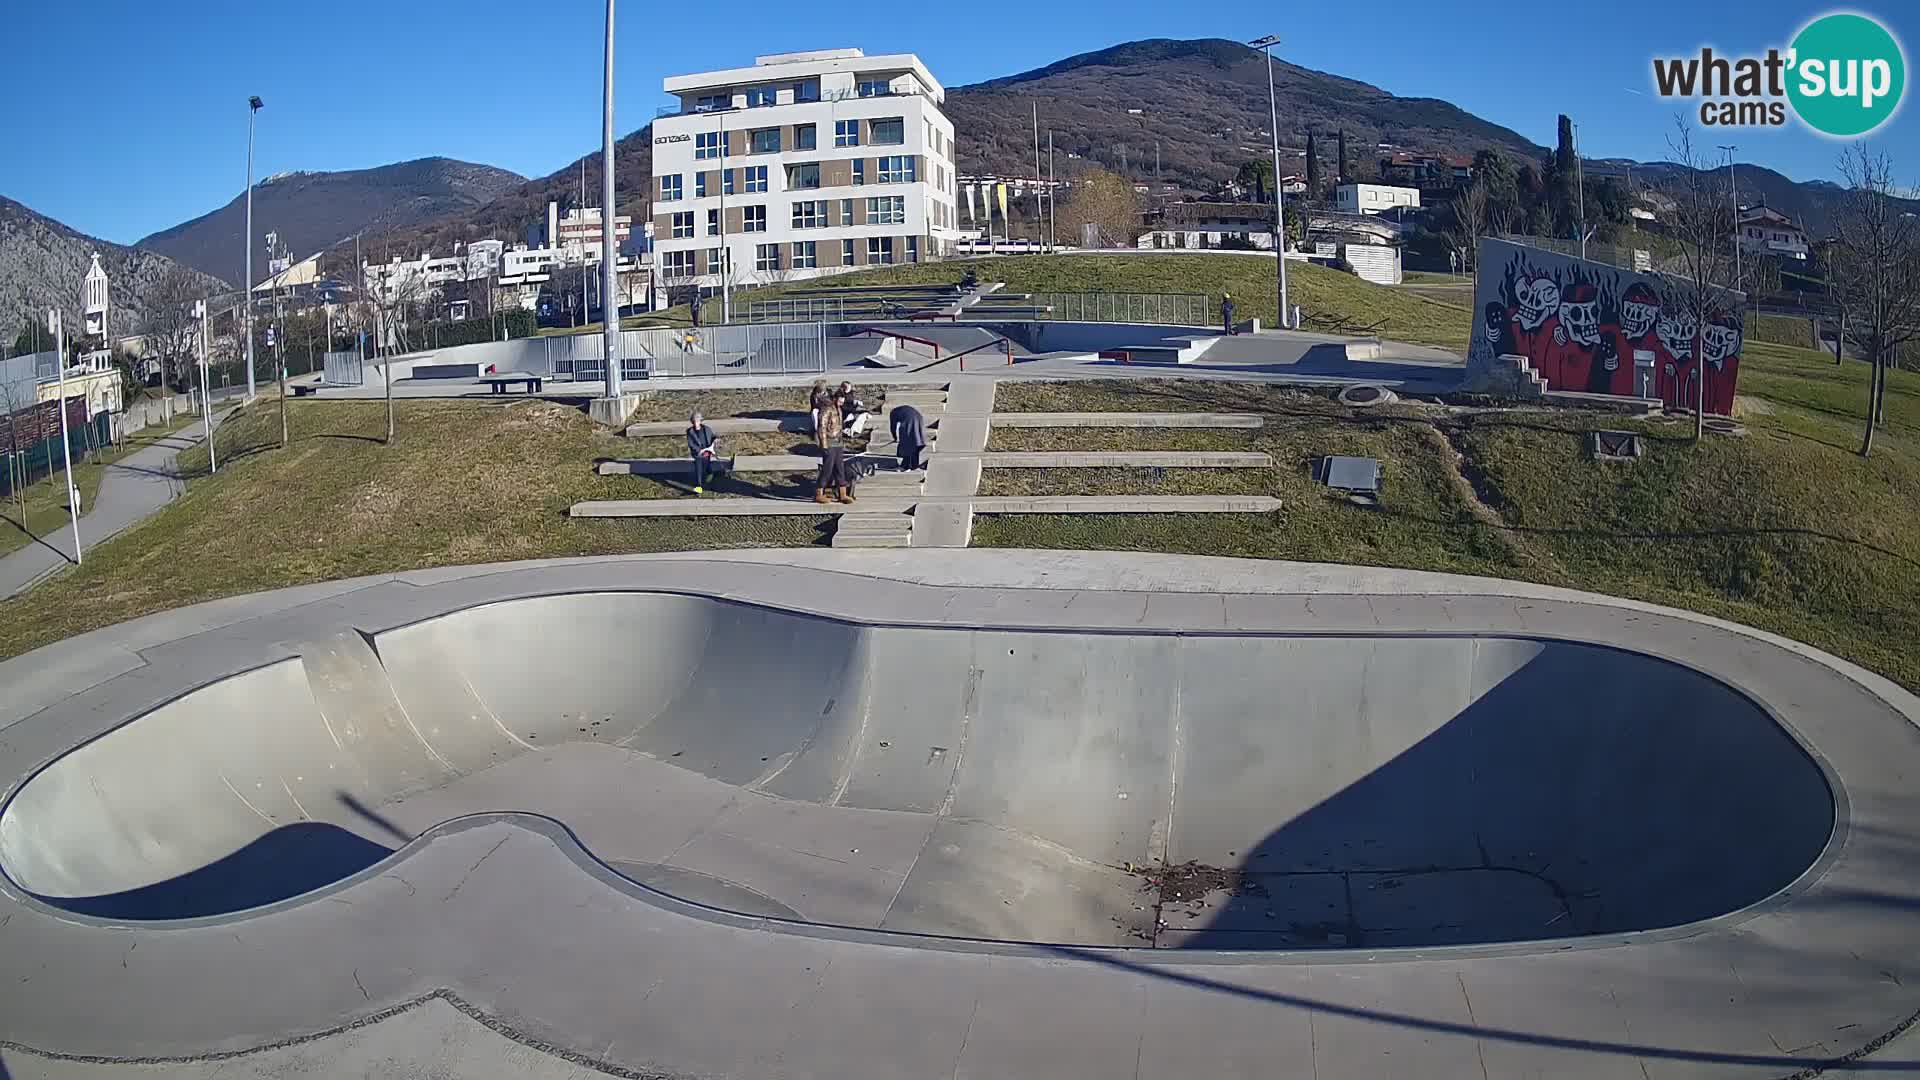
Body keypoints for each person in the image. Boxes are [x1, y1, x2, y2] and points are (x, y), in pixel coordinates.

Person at [814, 398, 854, 504]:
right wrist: (824, 444)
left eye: (843, 401)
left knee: (840, 468)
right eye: (840, 401)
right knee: (828, 469)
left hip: (838, 442)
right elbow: (821, 427)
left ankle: (843, 494)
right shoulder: (826, 409)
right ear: (835, 399)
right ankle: (819, 493)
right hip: (829, 442)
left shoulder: (838, 410)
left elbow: (839, 426)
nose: (842, 403)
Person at [685, 412, 732, 494]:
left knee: (706, 464)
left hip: (707, 452)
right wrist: (698, 450)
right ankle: (699, 486)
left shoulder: (706, 429)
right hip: (698, 454)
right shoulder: (690, 431)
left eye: (697, 421)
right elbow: (691, 444)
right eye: (694, 421)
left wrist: (715, 440)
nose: (696, 423)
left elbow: (713, 436)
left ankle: (710, 474)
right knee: (698, 469)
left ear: (700, 421)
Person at [889, 404, 927, 472]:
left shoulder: (893, 413)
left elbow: (893, 426)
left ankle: (905, 466)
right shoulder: (898, 411)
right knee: (915, 442)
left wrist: (894, 437)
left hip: (910, 419)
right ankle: (914, 465)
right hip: (918, 417)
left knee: (907, 443)